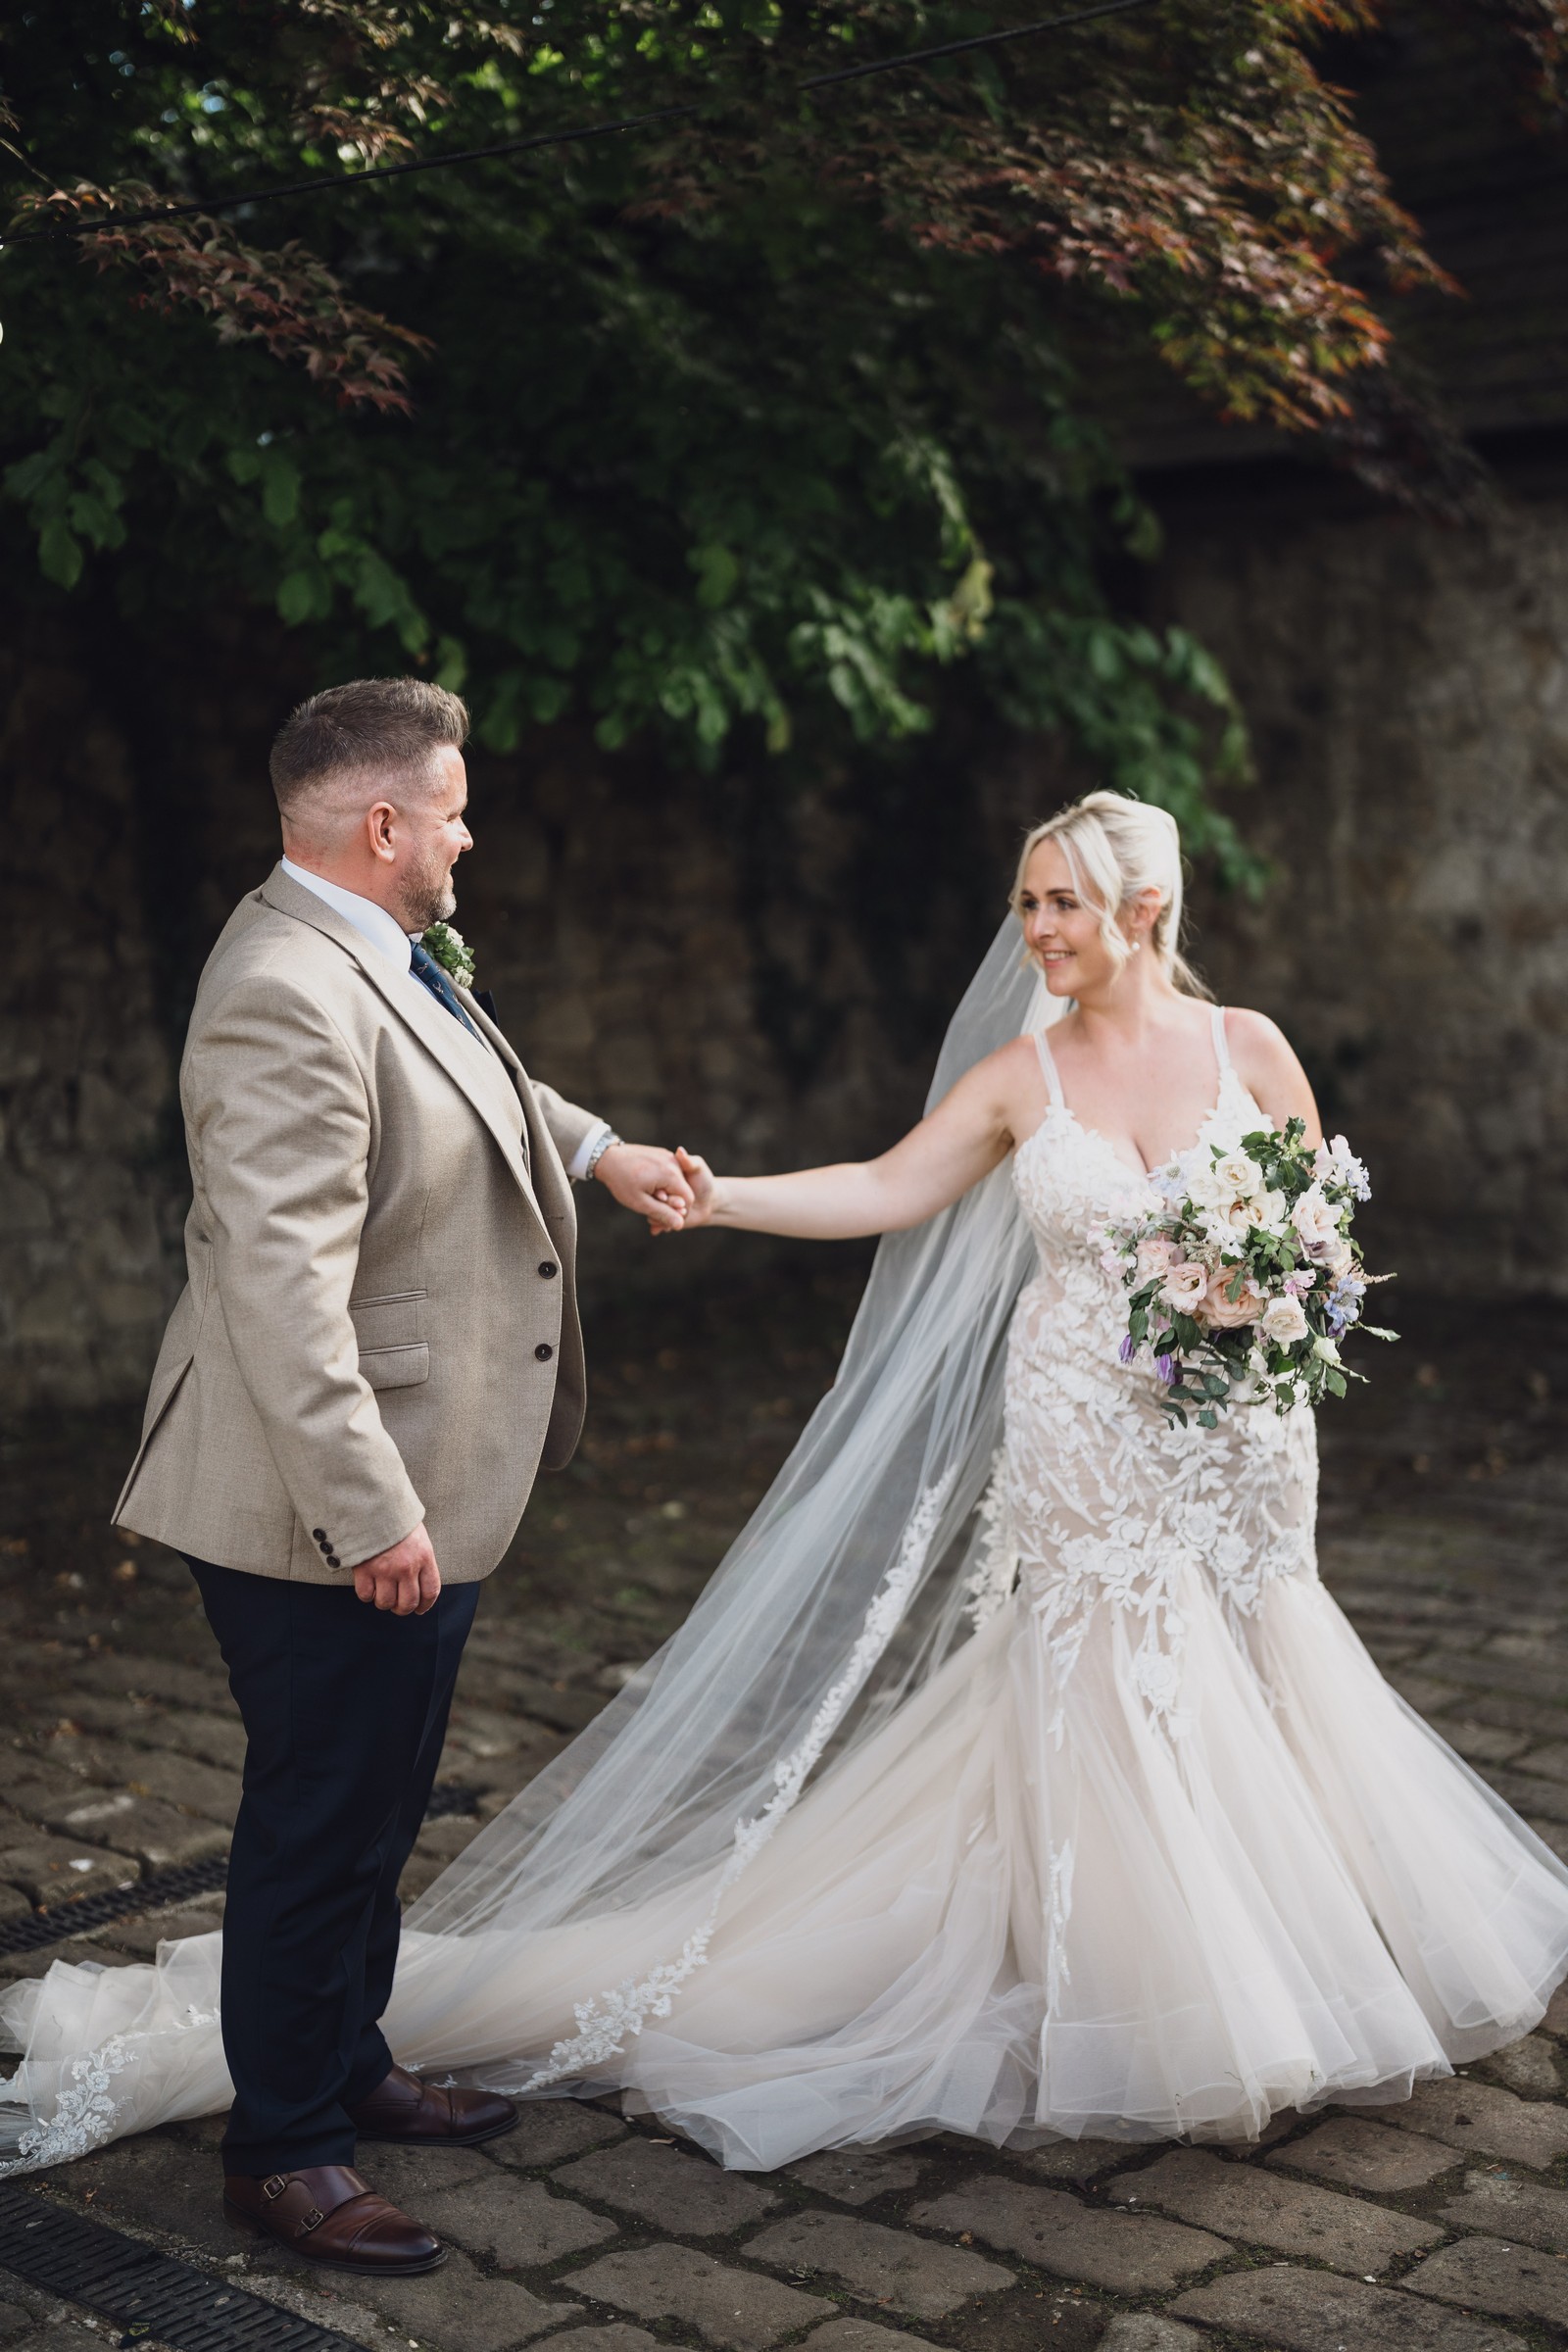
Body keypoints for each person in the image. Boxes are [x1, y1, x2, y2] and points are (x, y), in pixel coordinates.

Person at [5, 791, 1567, 2180]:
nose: (1036, 929)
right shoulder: (1027, 1072)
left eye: (1063, 904)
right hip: (1089, 1436)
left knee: (1260, 1657)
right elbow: (888, 1186)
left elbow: (1323, 1238)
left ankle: (1304, 1951)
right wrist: (714, 1196)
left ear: (1146, 910)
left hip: (1239, 1444)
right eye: (1024, 903)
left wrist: (1269, 1295)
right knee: (1107, 1679)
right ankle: (1153, 1990)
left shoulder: (1252, 1049)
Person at [101, 679, 691, 2274]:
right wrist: (371, 1514)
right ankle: (283, 2150)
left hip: (421, 1469)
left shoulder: (375, 950)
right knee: (317, 1819)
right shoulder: (279, 992)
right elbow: (281, 1292)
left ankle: (347, 2064)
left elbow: (468, 1075)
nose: (468, 832)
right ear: (382, 829)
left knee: (375, 1802)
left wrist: (596, 1148)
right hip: (325, 1495)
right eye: (452, 808)